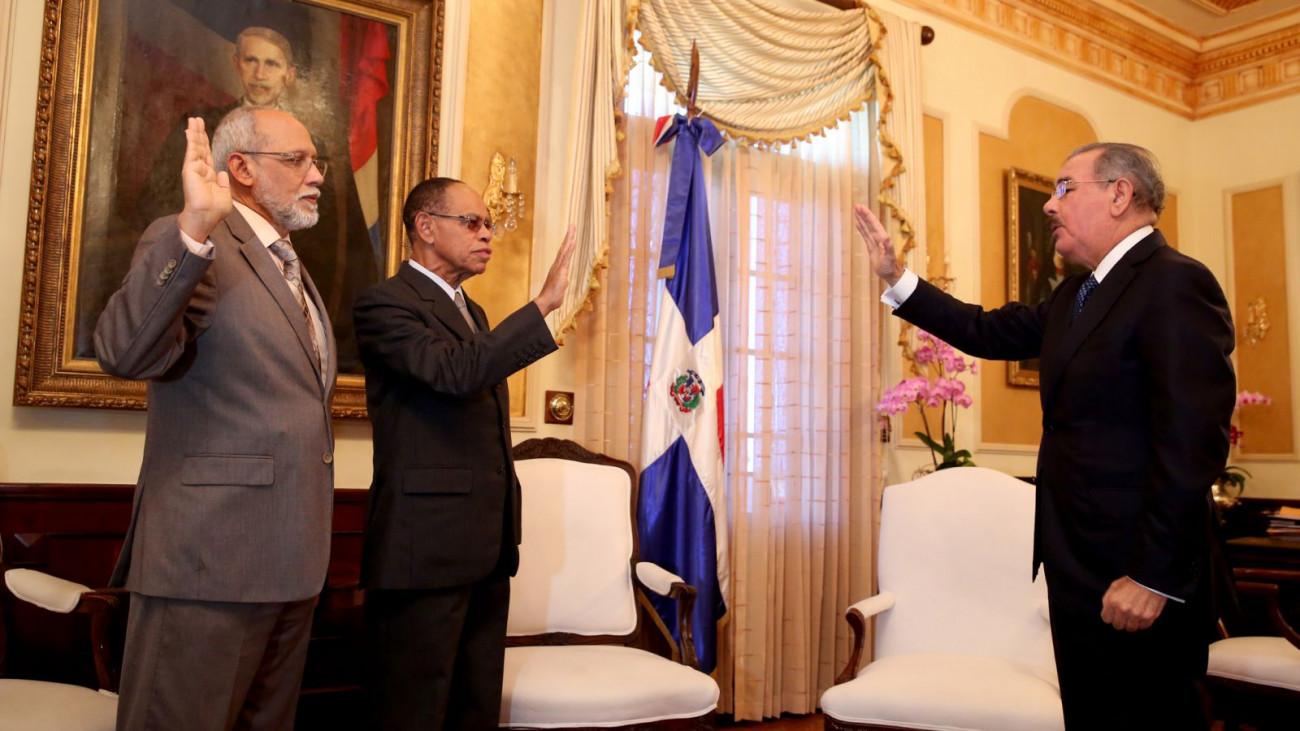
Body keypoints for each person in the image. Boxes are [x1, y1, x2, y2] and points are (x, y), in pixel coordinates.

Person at [856, 142, 1235, 730]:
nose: (1050, 206)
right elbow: (983, 330)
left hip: (1138, 574)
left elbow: (1192, 443)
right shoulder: (1074, 296)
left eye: (1065, 188)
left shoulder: (1175, 283)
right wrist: (896, 278)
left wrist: (1152, 577)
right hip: (1075, 563)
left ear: (1119, 193)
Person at [95, 107, 337, 730]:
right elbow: (125, 353)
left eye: (316, 161)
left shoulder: (291, 264)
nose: (316, 175)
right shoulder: (193, 240)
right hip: (207, 563)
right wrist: (194, 230)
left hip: (291, 562)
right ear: (241, 168)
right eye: (297, 160)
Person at [355, 177, 577, 730]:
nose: (487, 236)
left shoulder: (473, 314)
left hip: (485, 543)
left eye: (489, 225)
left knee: (473, 707)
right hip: (424, 547)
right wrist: (542, 305)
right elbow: (454, 372)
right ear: (425, 227)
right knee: (414, 710)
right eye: (473, 223)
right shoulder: (384, 304)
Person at [136, 26, 378, 373]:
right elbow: (130, 351)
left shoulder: (320, 147)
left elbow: (347, 247)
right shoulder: (199, 131)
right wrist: (193, 230)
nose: (260, 73)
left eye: (272, 63)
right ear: (237, 64)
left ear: (290, 74)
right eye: (251, 60)